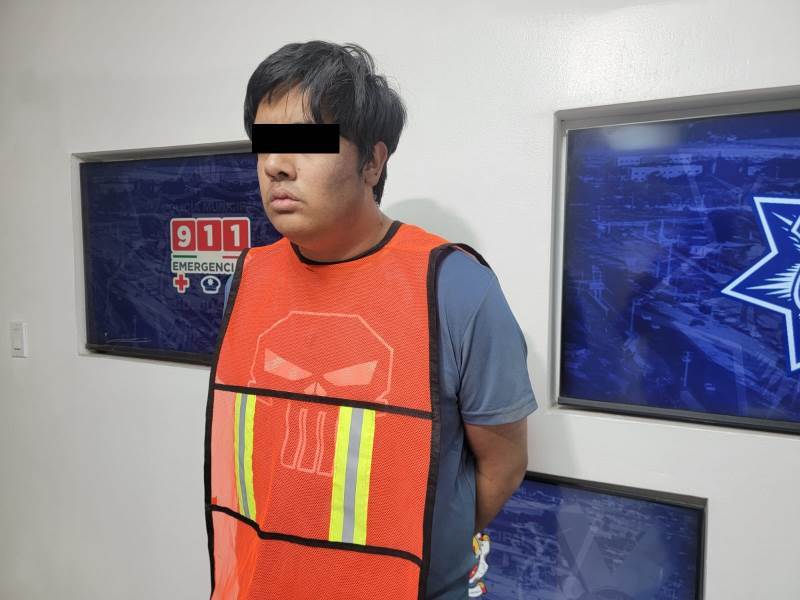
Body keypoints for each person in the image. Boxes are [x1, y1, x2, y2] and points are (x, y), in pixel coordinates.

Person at [204, 40, 537, 600]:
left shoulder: (455, 287)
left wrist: (411, 552)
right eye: (265, 144)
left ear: (373, 162)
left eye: (306, 142)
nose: (276, 165)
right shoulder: (248, 278)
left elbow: (502, 464)